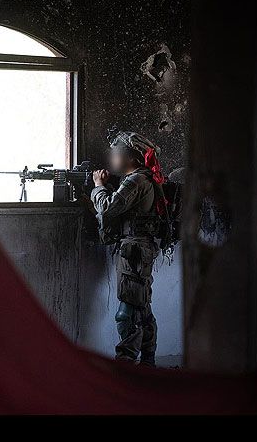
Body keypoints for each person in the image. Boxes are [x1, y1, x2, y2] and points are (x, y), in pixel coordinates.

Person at [90, 132, 166, 366]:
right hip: (140, 250)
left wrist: (98, 187)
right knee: (141, 308)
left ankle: (125, 363)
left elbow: (107, 208)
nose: (112, 158)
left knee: (127, 312)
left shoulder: (136, 180)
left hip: (133, 251)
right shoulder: (144, 178)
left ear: (131, 158)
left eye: (116, 154)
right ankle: (147, 362)